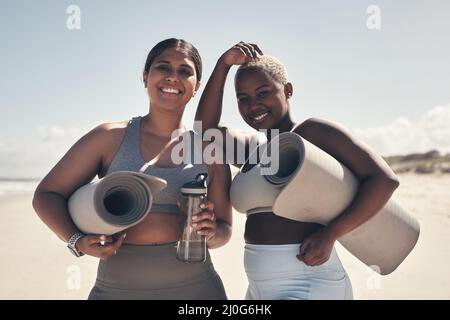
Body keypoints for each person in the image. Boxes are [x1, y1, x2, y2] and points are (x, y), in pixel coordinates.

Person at [194, 41, 400, 300]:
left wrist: (331, 233)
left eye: (263, 93)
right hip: (258, 289)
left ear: (288, 90)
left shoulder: (312, 133)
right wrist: (223, 65)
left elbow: (384, 180)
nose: (253, 105)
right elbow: (204, 132)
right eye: (243, 99)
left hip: (309, 281)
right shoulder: (253, 150)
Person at [32, 38, 232, 300]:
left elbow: (225, 230)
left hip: (198, 289)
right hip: (116, 289)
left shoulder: (212, 151)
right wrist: (76, 241)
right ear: (146, 76)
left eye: (185, 71)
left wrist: (211, 232)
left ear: (196, 87)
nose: (173, 77)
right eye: (163, 67)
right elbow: (47, 194)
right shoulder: (108, 138)